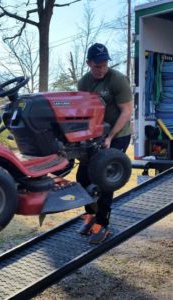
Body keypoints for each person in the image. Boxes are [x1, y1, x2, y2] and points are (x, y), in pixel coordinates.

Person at [77, 43, 133, 244]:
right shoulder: (84, 82)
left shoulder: (117, 80)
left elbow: (126, 111)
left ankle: (102, 224)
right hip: (96, 135)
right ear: (89, 63)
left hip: (118, 134)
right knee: (82, 177)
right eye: (97, 65)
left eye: (104, 64)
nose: (101, 68)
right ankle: (91, 215)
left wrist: (110, 138)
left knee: (105, 178)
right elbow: (82, 112)